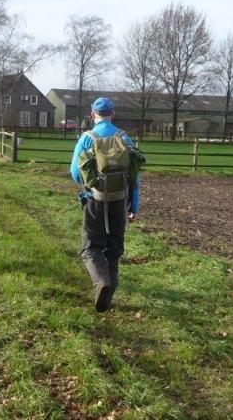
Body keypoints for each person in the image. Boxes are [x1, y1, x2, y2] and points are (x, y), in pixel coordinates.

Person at [70, 97, 140, 312]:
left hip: (96, 201)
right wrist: (133, 206)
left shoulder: (87, 138)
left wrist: (90, 185)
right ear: (113, 114)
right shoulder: (125, 138)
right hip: (120, 202)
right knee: (114, 249)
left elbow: (74, 173)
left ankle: (102, 283)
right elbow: (135, 178)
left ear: (93, 115)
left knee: (91, 248)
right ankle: (109, 291)